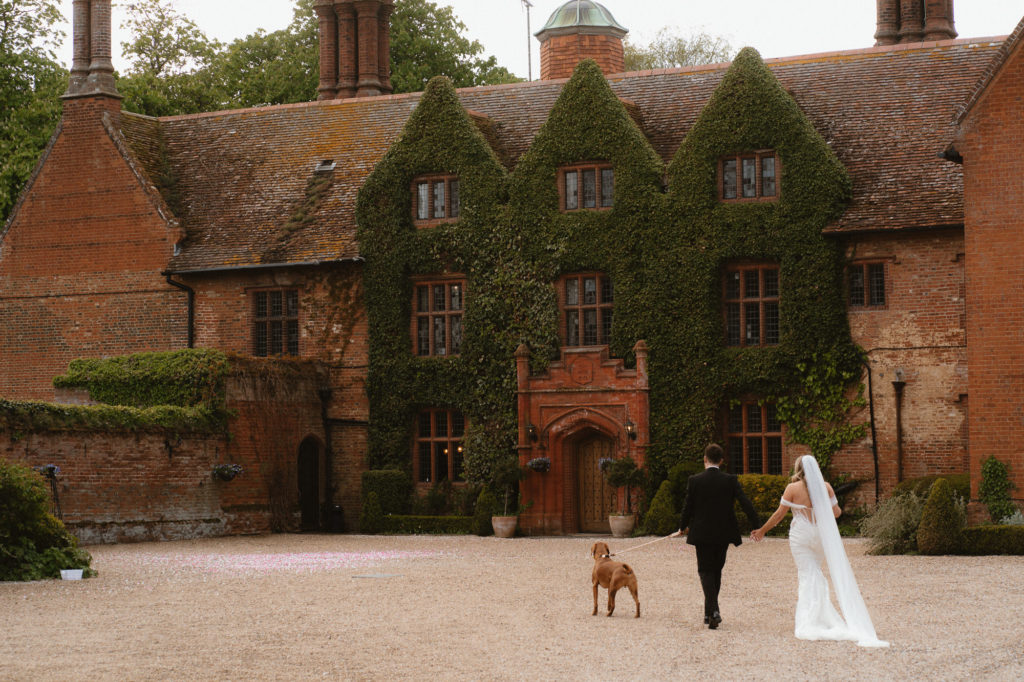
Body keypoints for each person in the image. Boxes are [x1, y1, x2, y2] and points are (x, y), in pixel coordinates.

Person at [752, 454, 889, 647]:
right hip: (820, 537)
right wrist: (821, 506)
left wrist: (762, 530)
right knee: (814, 571)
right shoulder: (826, 487)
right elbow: (837, 513)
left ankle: (812, 617)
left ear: (797, 468)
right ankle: (820, 614)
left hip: (801, 536)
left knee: (808, 574)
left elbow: (779, 515)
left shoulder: (792, 488)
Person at [673, 443, 759, 629]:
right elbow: (745, 502)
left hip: (702, 533)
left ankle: (712, 611)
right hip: (723, 532)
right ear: (721, 461)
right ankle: (710, 612)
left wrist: (682, 526)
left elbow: (688, 506)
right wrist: (757, 525)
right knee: (716, 570)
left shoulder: (694, 480)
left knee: (705, 570)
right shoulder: (730, 480)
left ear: (705, 459)